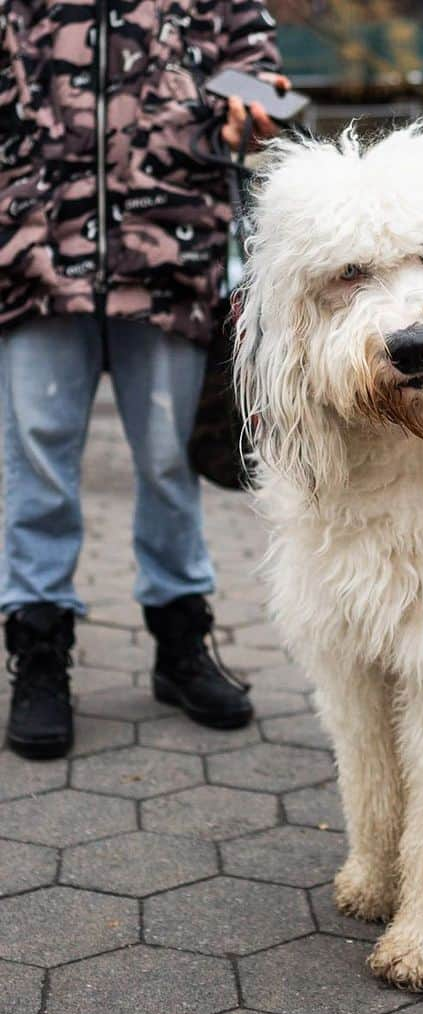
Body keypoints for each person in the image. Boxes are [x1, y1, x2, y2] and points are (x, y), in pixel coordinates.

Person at [0, 0, 284, 759]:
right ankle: (38, 648)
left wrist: (249, 104)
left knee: (166, 458)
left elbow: (255, 67)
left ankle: (181, 641)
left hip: (170, 243)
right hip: (32, 246)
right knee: (35, 456)